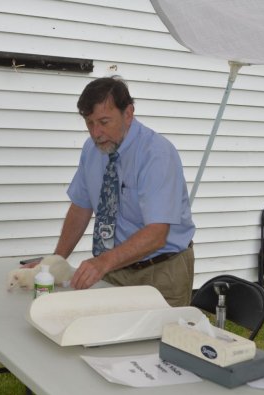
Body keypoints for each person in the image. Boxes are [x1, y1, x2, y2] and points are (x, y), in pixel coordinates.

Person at [53, 76, 195, 307]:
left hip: (160, 271)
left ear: (128, 113)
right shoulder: (92, 150)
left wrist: (103, 262)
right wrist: (56, 261)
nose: (96, 132)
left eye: (104, 121)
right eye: (89, 123)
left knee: (158, 341)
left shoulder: (156, 154)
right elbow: (81, 206)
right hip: (114, 267)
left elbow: (157, 233)